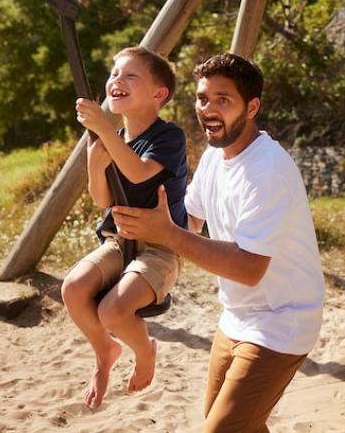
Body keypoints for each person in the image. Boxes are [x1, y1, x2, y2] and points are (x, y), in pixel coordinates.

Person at [112, 53, 325, 431]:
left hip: (281, 323)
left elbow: (248, 268)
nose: (207, 109)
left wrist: (169, 234)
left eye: (222, 100)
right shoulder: (215, 157)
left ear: (252, 106)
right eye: (202, 98)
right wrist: (143, 235)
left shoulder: (268, 171)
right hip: (235, 319)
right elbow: (188, 220)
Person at [61, 45, 188, 409]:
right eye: (114, 73)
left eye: (130, 75)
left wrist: (104, 129)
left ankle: (145, 352)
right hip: (120, 242)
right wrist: (93, 161)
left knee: (113, 312)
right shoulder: (114, 139)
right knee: (72, 288)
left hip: (161, 247)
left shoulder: (169, 137)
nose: (117, 79)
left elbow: (137, 172)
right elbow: (103, 198)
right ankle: (105, 353)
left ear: (158, 94)